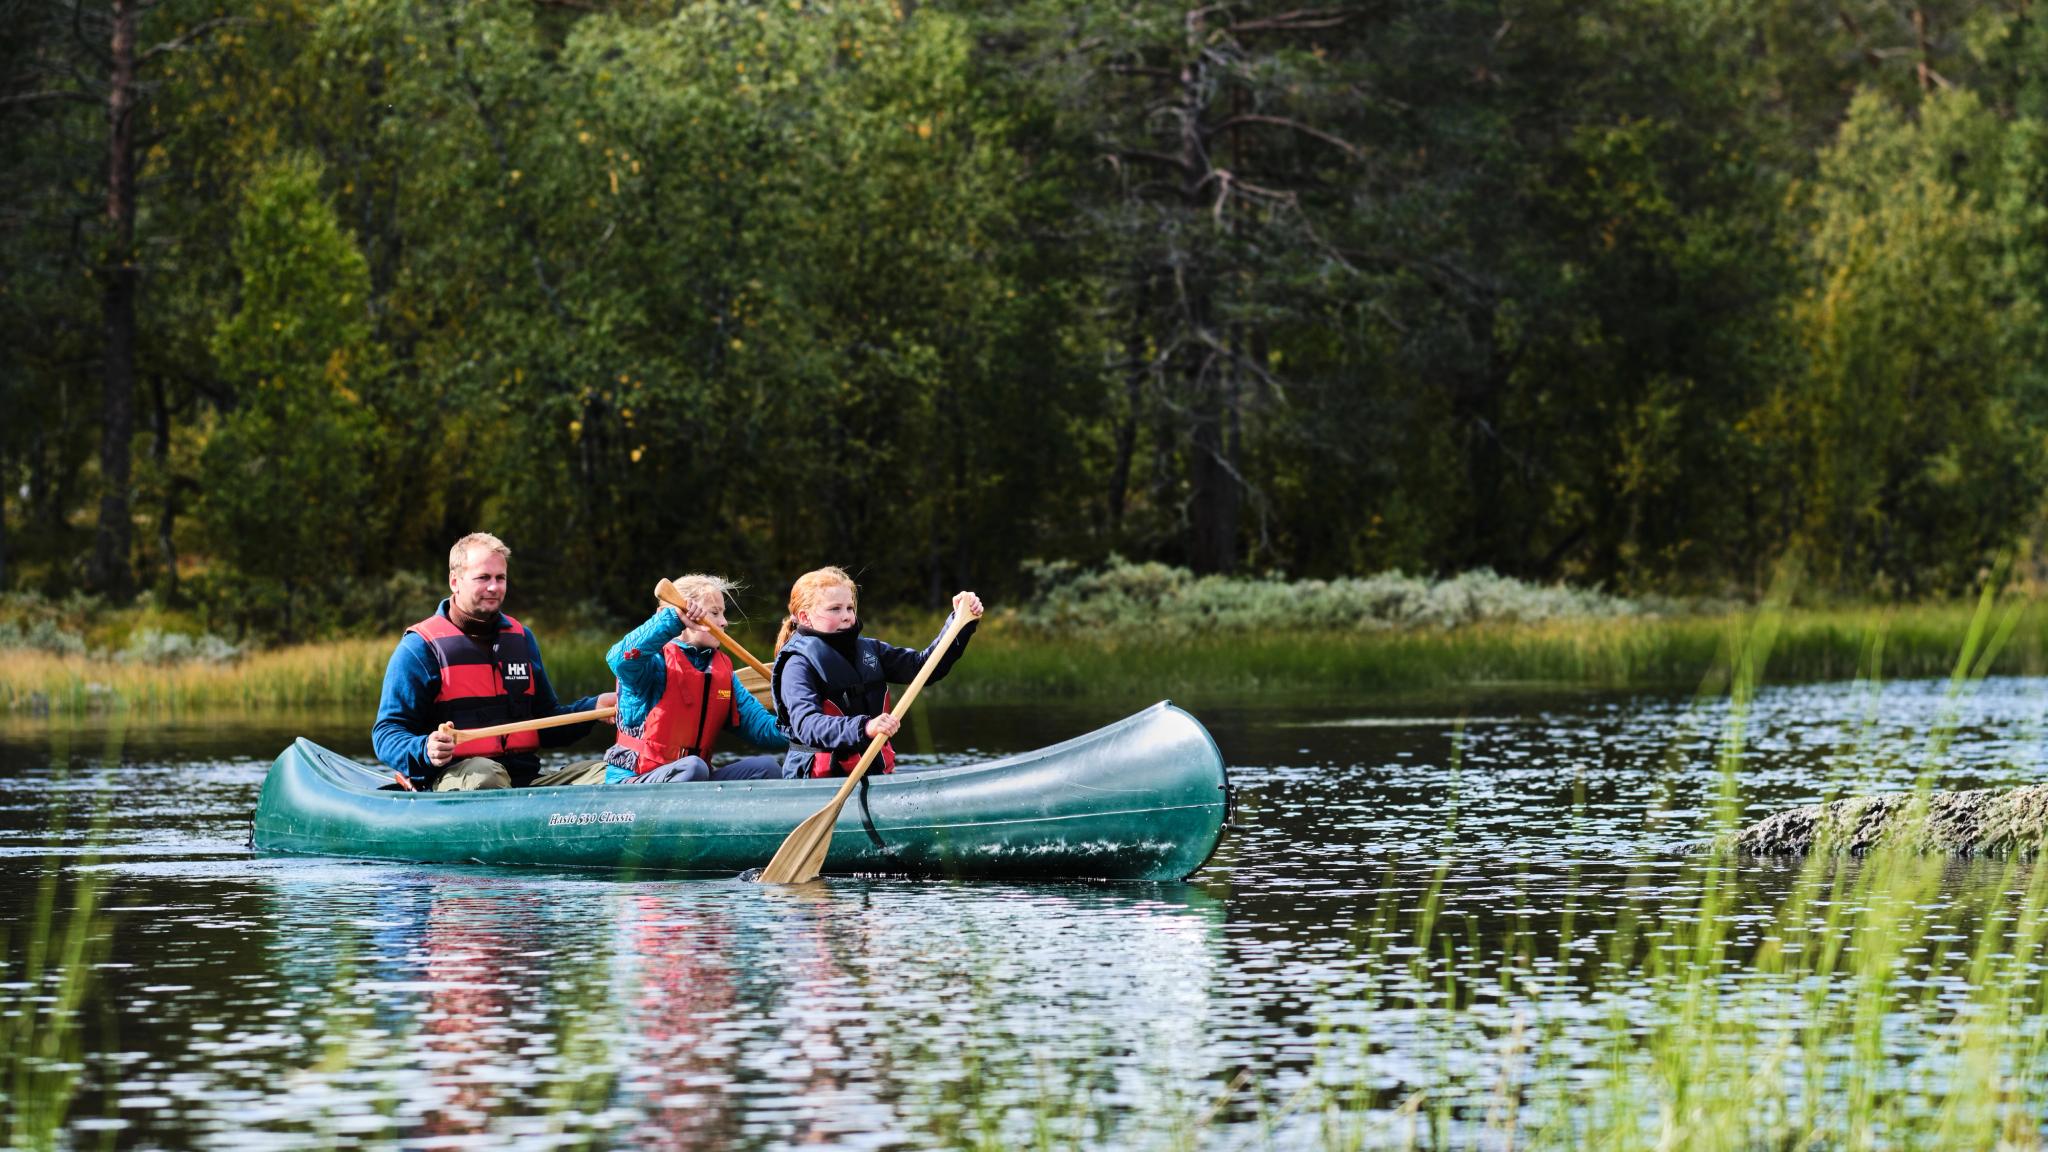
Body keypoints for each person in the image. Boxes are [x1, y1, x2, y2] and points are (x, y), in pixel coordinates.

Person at [373, 532, 615, 790]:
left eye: (500, 578)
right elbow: (387, 734)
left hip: (525, 781)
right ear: (455, 581)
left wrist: (594, 708)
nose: (494, 587)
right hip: (453, 781)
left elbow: (547, 724)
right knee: (487, 773)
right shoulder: (419, 647)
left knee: (612, 774)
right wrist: (425, 748)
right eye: (483, 578)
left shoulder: (522, 639)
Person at [770, 566, 982, 780]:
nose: (846, 616)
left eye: (849, 608)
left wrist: (960, 623)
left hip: (874, 773)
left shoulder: (870, 650)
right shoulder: (797, 664)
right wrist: (865, 727)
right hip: (818, 780)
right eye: (835, 609)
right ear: (805, 617)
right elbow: (807, 725)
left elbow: (924, 668)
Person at [600, 573, 788, 784]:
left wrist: (807, 722)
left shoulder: (723, 673)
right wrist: (672, 619)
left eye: (723, 614)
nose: (724, 622)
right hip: (634, 781)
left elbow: (765, 730)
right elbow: (618, 660)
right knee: (693, 767)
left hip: (694, 778)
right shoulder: (652, 664)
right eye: (715, 613)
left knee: (767, 767)